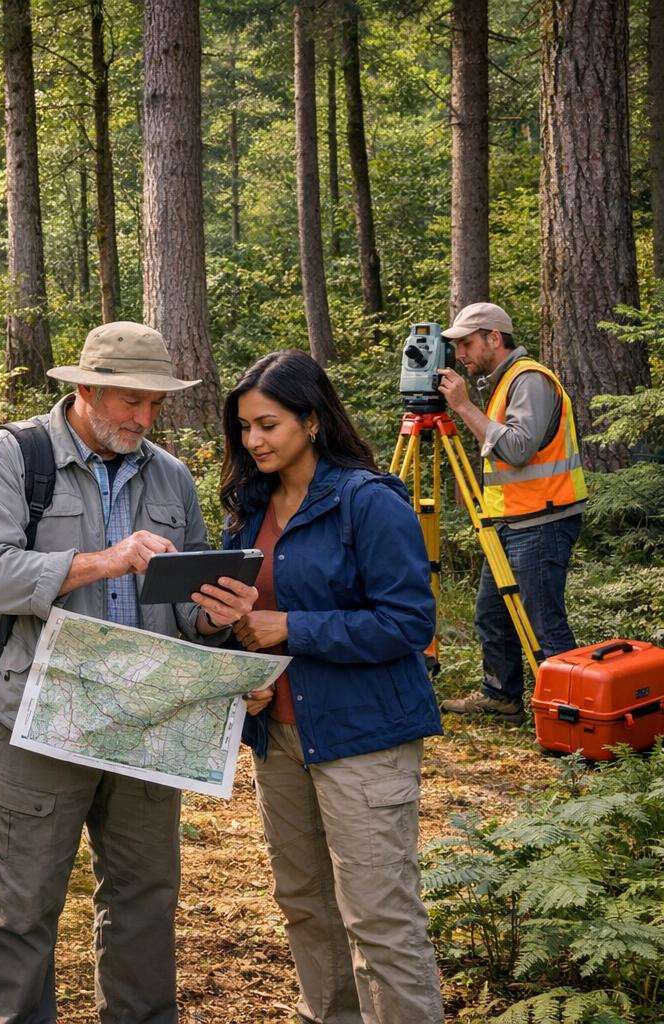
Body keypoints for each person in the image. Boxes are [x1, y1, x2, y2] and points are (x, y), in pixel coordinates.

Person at [0, 321, 258, 1024]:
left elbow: (184, 608)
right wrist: (106, 560)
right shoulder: (10, 458)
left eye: (155, 405)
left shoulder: (171, 476)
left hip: (148, 724)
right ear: (85, 389)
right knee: (20, 906)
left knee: (145, 907)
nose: (144, 419)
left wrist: (214, 615)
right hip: (38, 718)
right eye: (129, 402)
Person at [220, 349, 444, 1022]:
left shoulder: (367, 501)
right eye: (244, 429)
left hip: (363, 737)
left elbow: (408, 623)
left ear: (312, 421)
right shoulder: (249, 509)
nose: (254, 441)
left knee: (379, 918)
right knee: (306, 908)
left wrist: (291, 626)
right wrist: (236, 649)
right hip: (279, 737)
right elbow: (251, 623)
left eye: (268, 425)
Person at [434, 302, 586, 721]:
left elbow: (518, 449)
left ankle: (570, 714)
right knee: (491, 613)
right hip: (512, 521)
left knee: (543, 624)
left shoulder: (529, 380)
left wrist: (463, 407)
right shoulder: (502, 384)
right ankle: (501, 695)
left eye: (466, 343)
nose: (460, 354)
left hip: (542, 520)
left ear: (493, 338)